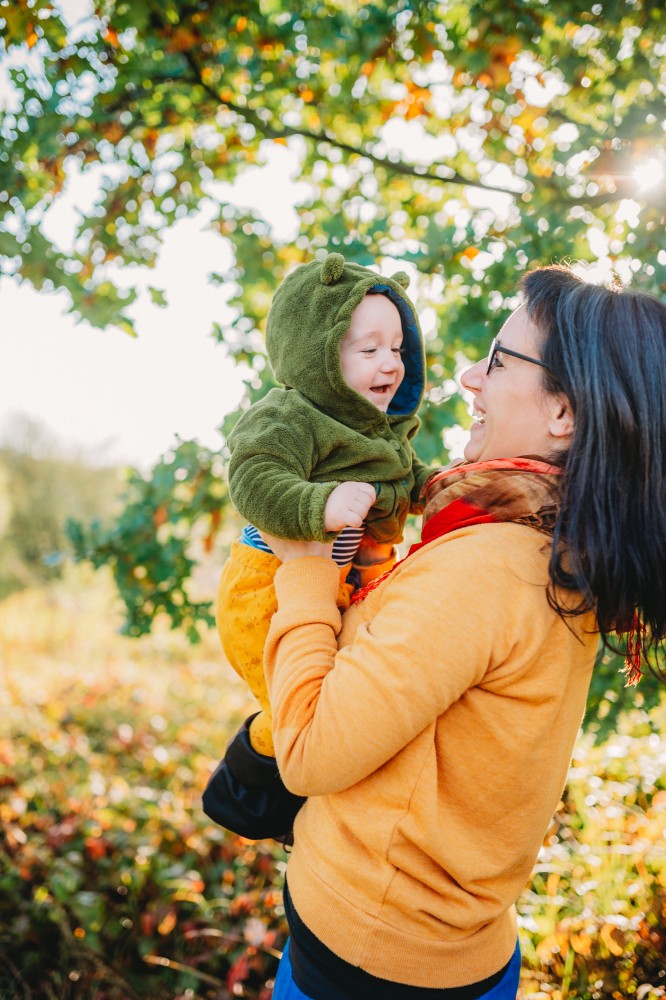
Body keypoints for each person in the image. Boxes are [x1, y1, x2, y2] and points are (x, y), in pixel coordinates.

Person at [253, 264, 666, 1000]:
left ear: (564, 414)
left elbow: (309, 754)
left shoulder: (488, 568)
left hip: (368, 961)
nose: (471, 376)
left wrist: (308, 567)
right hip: (463, 950)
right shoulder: (557, 551)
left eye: (501, 360)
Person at [216, 252, 434, 758]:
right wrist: (320, 503)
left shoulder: (378, 429)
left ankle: (321, 788)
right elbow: (253, 477)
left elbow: (402, 477)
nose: (391, 364)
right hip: (264, 592)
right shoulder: (289, 416)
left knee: (343, 701)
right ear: (318, 353)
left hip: (335, 588)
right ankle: (257, 774)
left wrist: (433, 487)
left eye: (399, 349)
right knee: (296, 711)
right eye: (369, 349)